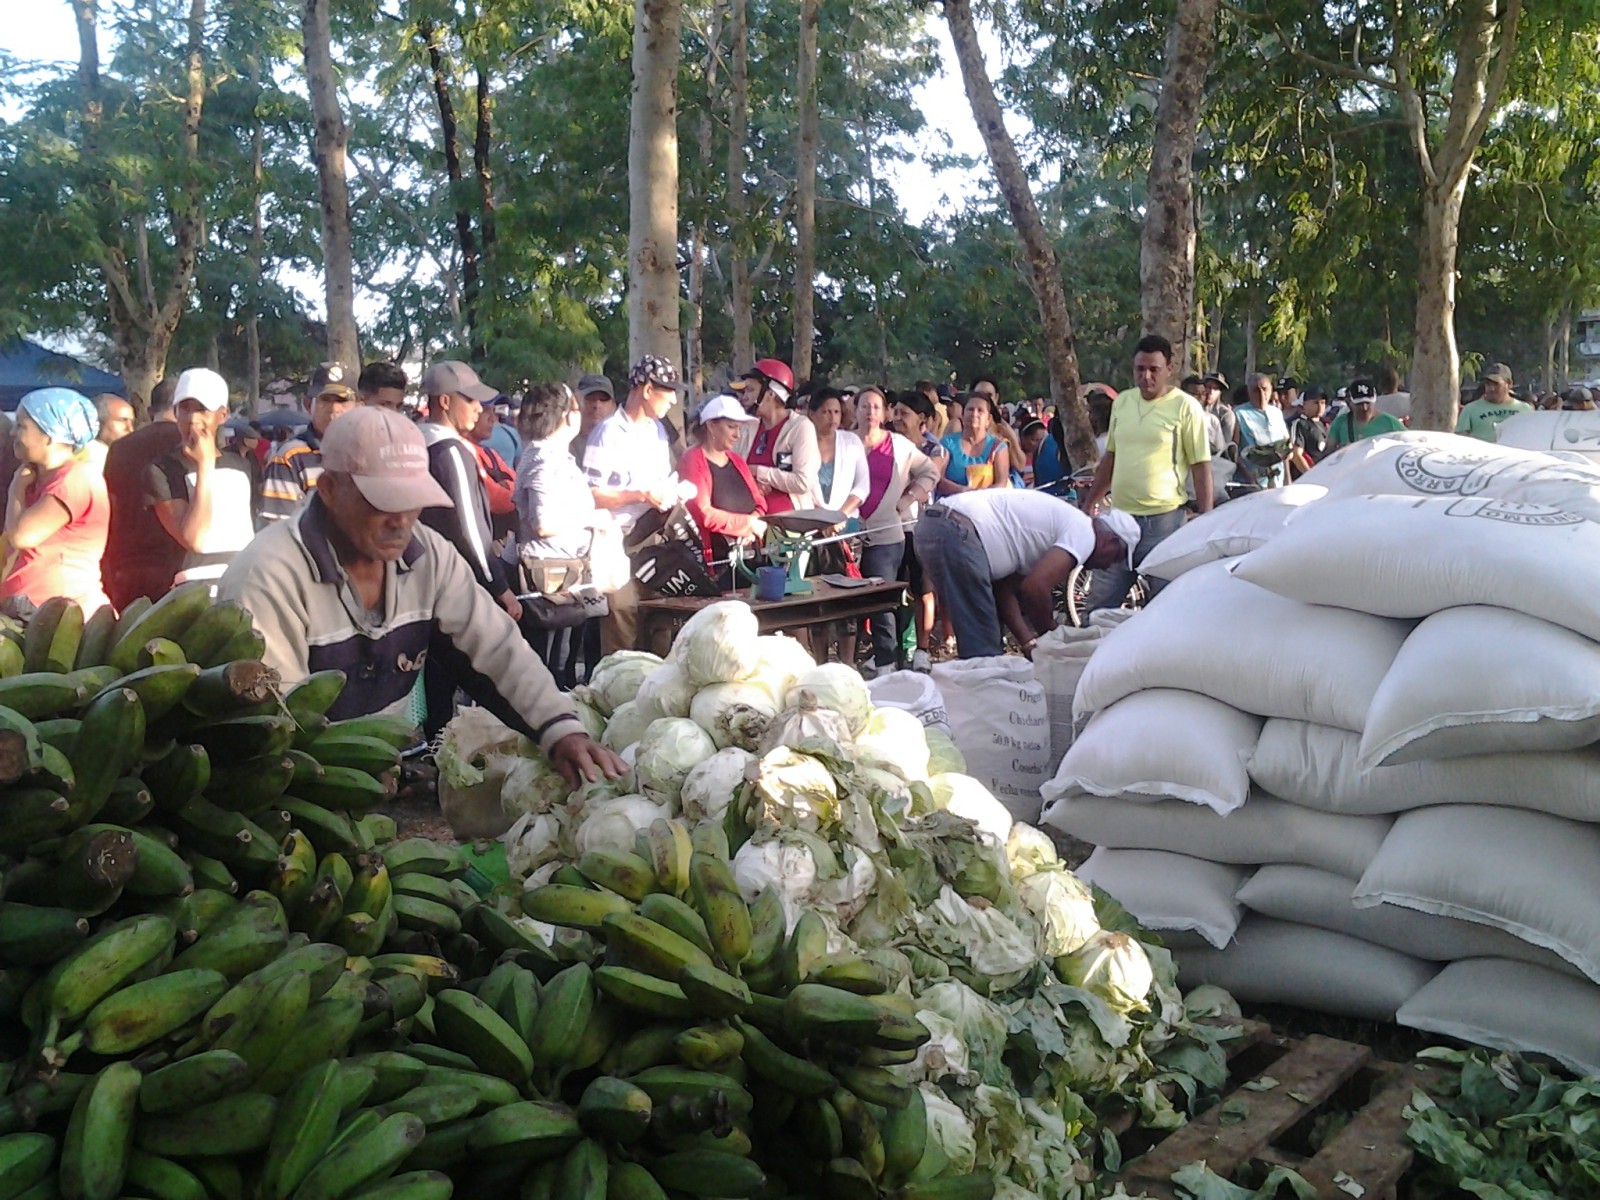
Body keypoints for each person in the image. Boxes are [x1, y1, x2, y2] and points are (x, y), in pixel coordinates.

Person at [217, 406, 624, 787]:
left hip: (371, 780)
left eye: (413, 502)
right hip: (283, 794)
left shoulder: (430, 556)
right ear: (328, 489)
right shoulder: (267, 575)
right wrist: (352, 777)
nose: (402, 521)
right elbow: (276, 723)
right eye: (383, 502)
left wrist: (560, 730)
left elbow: (497, 649)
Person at [917, 490, 1139, 659]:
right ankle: (986, 711)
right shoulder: (1084, 533)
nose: (1109, 565)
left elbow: (1005, 591)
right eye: (1116, 557)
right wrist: (1052, 639)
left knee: (985, 642)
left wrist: (1028, 643)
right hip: (955, 529)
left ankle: (983, 702)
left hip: (940, 525)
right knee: (983, 647)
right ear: (1109, 541)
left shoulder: (1062, 529)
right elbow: (1035, 588)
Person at [1079, 334, 1211, 610]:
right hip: (1120, 520)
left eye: (1154, 369)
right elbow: (1111, 458)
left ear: (1169, 370)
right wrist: (1090, 500)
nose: (1147, 376)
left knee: (1164, 607)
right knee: (1098, 607)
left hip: (1164, 523)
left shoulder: (1186, 407)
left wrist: (1206, 519)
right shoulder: (1123, 403)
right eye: (1140, 369)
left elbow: (1201, 467)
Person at [584, 355, 687, 652]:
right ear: (646, 390)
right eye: (667, 392)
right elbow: (591, 493)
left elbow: (661, 480)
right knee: (622, 620)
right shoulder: (607, 433)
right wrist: (641, 494)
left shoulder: (657, 431)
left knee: (660, 618)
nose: (672, 401)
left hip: (656, 539)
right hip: (618, 544)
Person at [417, 360, 520, 618]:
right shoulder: (450, 451)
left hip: (432, 579)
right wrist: (499, 587)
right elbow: (470, 529)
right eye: (471, 400)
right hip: (460, 585)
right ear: (444, 402)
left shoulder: (419, 444)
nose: (479, 409)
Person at [144, 368, 258, 589]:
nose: (193, 419)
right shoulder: (161, 470)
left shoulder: (242, 466)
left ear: (222, 415)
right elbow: (194, 539)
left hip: (244, 582)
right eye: (185, 409)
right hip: (193, 592)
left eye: (202, 410)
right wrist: (205, 465)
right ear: (175, 412)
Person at [0, 388, 111, 615]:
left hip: (56, 612)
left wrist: (16, 489)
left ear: (49, 436)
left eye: (21, 426)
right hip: (30, 606)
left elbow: (23, 536)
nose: (13, 433)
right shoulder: (37, 478)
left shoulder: (75, 478)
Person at [854, 387, 940, 676]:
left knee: (886, 597)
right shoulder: (844, 442)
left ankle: (888, 661)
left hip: (890, 532)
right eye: (864, 406)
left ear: (884, 412)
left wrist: (908, 498)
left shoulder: (900, 445)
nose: (870, 412)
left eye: (876, 406)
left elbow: (930, 472)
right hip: (848, 533)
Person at [103, 378, 184, 608]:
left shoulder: (119, 449)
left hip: (127, 562)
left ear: (149, 411)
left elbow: (111, 506)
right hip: (178, 563)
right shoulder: (191, 446)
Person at [679, 395, 767, 585]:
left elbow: (760, 503)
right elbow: (703, 514)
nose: (737, 435)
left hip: (750, 558)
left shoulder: (737, 460)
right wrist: (747, 524)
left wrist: (752, 527)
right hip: (716, 566)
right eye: (731, 427)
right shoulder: (692, 460)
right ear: (711, 426)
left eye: (739, 428)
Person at [260, 362, 359, 524]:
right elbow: (278, 530)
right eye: (325, 400)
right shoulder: (290, 457)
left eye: (343, 401)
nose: (334, 409)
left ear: (358, 406)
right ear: (308, 405)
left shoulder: (371, 453)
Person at [890, 391, 946, 671]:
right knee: (893, 587)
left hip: (921, 526)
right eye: (896, 412)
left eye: (904, 414)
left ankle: (922, 649)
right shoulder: (887, 444)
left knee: (923, 589)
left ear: (921, 419)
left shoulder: (934, 450)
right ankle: (895, 648)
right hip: (891, 526)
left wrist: (906, 497)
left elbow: (928, 483)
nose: (897, 419)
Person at [736, 359, 817, 516]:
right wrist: (751, 482)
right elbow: (732, 472)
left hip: (790, 529)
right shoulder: (746, 427)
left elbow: (803, 482)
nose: (744, 397)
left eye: (750, 390)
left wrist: (759, 472)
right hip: (750, 525)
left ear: (770, 393)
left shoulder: (801, 427)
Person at [807, 388, 868, 522]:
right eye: (826, 412)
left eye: (836, 412)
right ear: (812, 414)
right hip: (811, 519)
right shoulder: (803, 442)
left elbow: (862, 486)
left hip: (846, 519)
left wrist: (840, 516)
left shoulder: (851, 441)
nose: (832, 417)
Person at [466, 397, 519, 545]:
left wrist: (506, 486)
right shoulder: (463, 451)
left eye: (493, 412)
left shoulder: (489, 453)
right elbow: (495, 500)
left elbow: (520, 485)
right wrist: (508, 487)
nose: (492, 419)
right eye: (485, 411)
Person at [937, 393, 1010, 494]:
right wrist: (962, 491)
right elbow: (938, 479)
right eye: (970, 409)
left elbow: (1001, 484)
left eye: (980, 410)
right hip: (951, 504)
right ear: (962, 415)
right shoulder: (947, 443)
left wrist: (977, 496)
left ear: (988, 419)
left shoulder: (998, 446)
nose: (974, 414)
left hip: (986, 504)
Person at [1234, 372, 1291, 488]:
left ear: (1271, 390)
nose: (1261, 393)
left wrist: (1288, 479)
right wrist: (1249, 477)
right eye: (1256, 390)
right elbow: (1234, 451)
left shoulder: (1277, 413)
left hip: (1278, 481)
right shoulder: (1238, 414)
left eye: (1264, 389)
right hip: (1252, 483)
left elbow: (1285, 448)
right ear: (1249, 392)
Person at [1455, 363, 1530, 441]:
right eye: (1488, 384)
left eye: (1496, 384)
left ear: (1509, 383)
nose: (1491, 388)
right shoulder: (1470, 409)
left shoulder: (1525, 409)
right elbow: (1460, 440)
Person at [1329, 380, 1406, 447]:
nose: (1364, 408)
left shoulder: (1391, 423)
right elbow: (1328, 451)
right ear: (1350, 402)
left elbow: (1410, 444)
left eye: (1368, 403)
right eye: (1359, 404)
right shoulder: (1340, 423)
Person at [84, 394, 134, 474]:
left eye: (132, 422)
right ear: (99, 421)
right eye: (122, 420)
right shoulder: (88, 458)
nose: (130, 429)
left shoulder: (119, 455)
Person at [1287, 390, 1330, 478]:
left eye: (1323, 403)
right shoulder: (1300, 424)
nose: (1320, 406)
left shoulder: (1324, 424)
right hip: (1304, 479)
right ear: (1305, 404)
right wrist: (1310, 476)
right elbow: (1296, 455)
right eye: (1315, 403)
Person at [575, 373, 618, 457]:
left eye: (603, 399)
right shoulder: (563, 445)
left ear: (613, 406)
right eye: (590, 398)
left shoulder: (621, 447)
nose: (597, 405)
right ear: (576, 403)